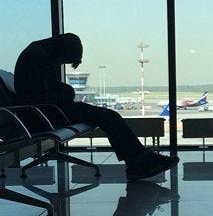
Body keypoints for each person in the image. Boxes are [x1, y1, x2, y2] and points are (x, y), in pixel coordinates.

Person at [14, 33, 178, 181]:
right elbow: (43, 96)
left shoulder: (38, 53)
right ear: (61, 49)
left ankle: (138, 160)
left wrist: (64, 91)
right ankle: (138, 161)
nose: (61, 63)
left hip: (46, 111)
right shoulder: (39, 58)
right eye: (64, 59)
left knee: (109, 116)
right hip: (45, 113)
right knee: (109, 117)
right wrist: (65, 92)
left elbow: (43, 91)